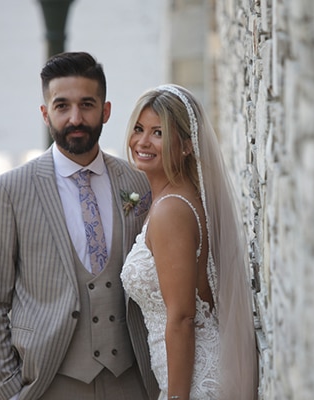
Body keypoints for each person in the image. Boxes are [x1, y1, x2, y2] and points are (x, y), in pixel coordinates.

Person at [0, 52, 159, 400]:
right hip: (49, 384)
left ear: (105, 111)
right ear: (45, 114)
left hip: (132, 382)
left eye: (87, 104)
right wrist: (10, 390)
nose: (75, 118)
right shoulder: (9, 191)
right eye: (62, 106)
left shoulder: (137, 182)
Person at [120, 84, 258, 400]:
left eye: (158, 133)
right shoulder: (180, 198)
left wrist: (176, 397)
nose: (143, 141)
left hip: (194, 381)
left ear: (186, 145)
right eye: (139, 129)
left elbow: (182, 317)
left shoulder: (171, 210)